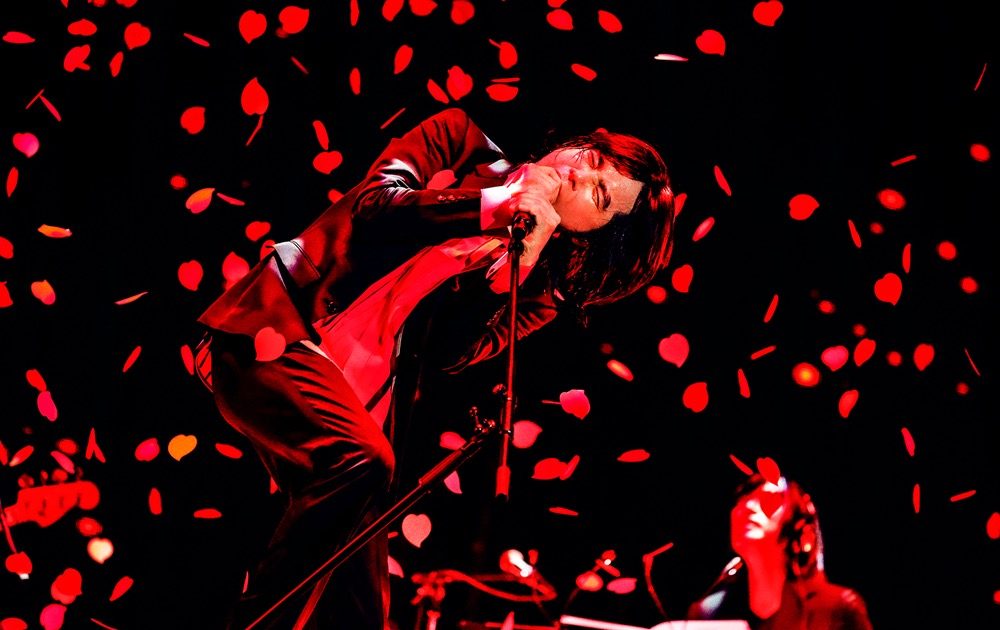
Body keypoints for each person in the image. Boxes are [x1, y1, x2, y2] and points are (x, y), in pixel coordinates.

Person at [195, 107, 675, 629]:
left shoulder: (536, 290)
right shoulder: (457, 141)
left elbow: (449, 353)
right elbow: (376, 205)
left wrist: (508, 273)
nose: (579, 173)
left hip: (358, 398)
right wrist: (498, 205)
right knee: (362, 463)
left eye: (600, 197)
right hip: (276, 328)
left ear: (594, 233)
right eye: (592, 158)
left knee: (362, 603)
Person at [686, 474, 873, 629]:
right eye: (743, 499)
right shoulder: (707, 614)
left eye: (768, 498)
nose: (748, 506)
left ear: (796, 526)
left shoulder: (838, 609)